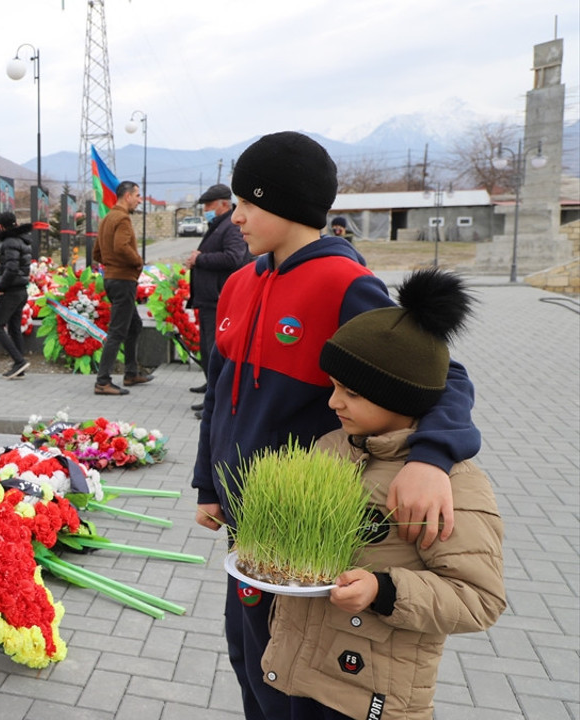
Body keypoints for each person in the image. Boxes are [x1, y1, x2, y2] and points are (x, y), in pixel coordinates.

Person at [190, 131, 479, 720]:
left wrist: (431, 457)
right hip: (245, 528)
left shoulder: (345, 284)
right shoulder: (241, 282)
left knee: (294, 679)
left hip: (309, 536)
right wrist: (208, 483)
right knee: (247, 658)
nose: (236, 216)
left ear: (290, 205)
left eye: (250, 202)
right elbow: (221, 395)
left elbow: (444, 375)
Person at [263, 268, 505, 719]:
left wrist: (384, 589)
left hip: (374, 692)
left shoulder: (453, 485)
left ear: (402, 397)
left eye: (351, 393)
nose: (334, 403)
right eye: (334, 387)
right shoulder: (331, 447)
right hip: (302, 669)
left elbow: (480, 598)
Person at [185, 183, 251, 417]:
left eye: (209, 206)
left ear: (224, 204)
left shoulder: (231, 226)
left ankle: (216, 402)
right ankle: (210, 390)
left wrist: (200, 259)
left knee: (215, 350)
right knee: (206, 349)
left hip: (218, 298)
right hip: (208, 299)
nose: (205, 210)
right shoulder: (218, 224)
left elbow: (233, 258)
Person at [92, 180, 151, 395]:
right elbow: (121, 246)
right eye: (137, 196)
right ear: (127, 196)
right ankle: (103, 381)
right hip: (124, 280)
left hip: (112, 279)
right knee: (117, 331)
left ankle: (131, 372)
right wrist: (137, 261)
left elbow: (97, 253)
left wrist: (110, 263)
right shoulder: (123, 218)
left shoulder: (107, 218)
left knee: (134, 325)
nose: (139, 200)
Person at [0, 211, 32, 379]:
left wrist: (1, 285)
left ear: (1, 226)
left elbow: (11, 268)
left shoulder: (9, 242)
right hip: (21, 289)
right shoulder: (24, 239)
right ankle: (19, 366)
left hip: (11, 290)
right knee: (15, 327)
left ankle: (19, 360)